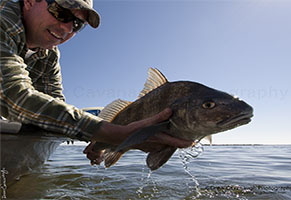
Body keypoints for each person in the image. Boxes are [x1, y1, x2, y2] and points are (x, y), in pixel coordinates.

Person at [0, 0, 192, 165]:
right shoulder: (3, 21)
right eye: (61, 13)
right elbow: (13, 96)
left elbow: (55, 100)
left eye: (77, 25)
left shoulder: (49, 55)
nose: (67, 29)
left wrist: (98, 138)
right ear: (29, 1)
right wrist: (108, 133)